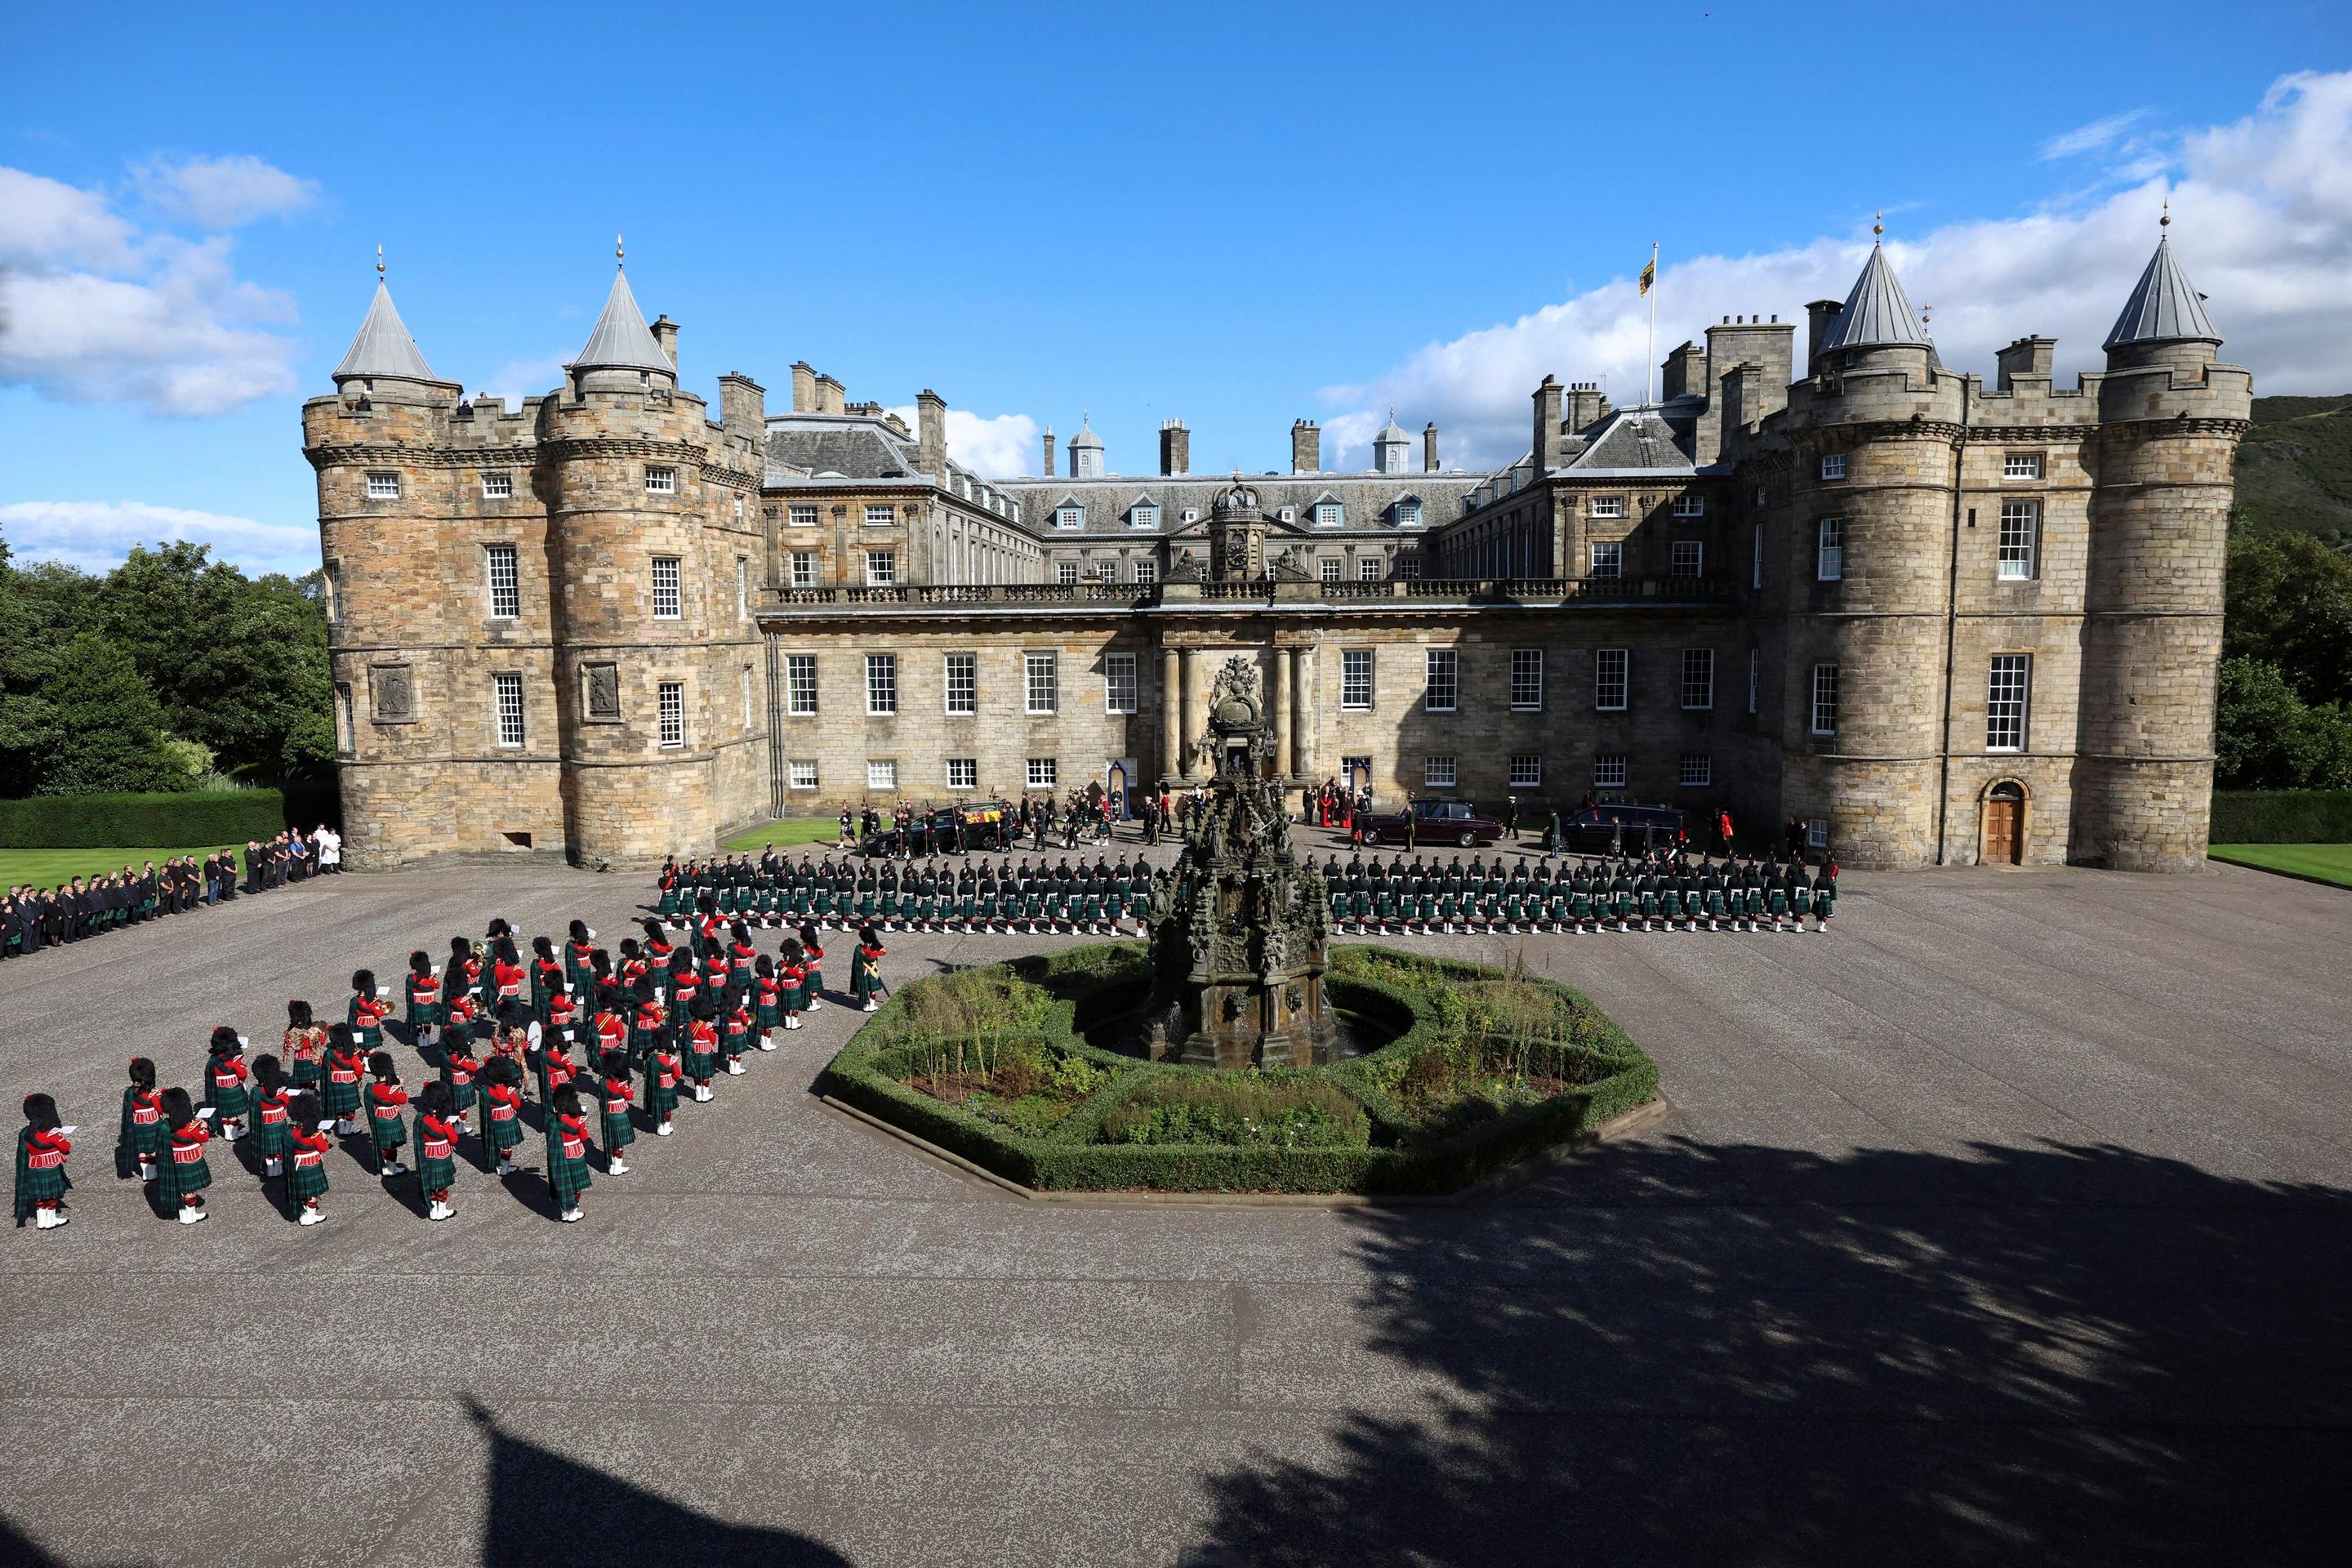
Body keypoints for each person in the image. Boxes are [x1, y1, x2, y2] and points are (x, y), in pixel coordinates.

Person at [156, 1086, 214, 1225]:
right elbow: (204, 1137)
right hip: (190, 1159)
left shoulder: (166, 1126)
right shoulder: (190, 1128)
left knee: (181, 1188)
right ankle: (190, 1215)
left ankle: (183, 1214)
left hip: (176, 1159)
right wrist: (204, 1126)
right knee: (190, 1190)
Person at [16, 1093, 73, 1231]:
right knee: (51, 1196)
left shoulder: (26, 1133)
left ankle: (41, 1221)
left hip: (35, 1167)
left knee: (40, 1197)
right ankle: (51, 1220)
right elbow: (66, 1147)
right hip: (50, 1167)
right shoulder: (51, 1133)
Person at [415, 1082, 461, 1220]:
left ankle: (433, 1212)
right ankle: (441, 1212)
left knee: (431, 1185)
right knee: (441, 1186)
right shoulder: (444, 1123)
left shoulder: (422, 1120)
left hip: (428, 1155)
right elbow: (454, 1139)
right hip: (442, 1155)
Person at [546, 1085, 592, 1223]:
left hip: (560, 1154)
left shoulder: (551, 1119)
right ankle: (573, 1211)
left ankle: (564, 1212)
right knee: (575, 1186)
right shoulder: (577, 1119)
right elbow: (584, 1137)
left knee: (563, 1184)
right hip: (575, 1154)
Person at [284, 1094, 331, 1225]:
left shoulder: (292, 1131)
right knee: (312, 1194)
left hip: (298, 1164)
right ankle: (310, 1217)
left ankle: (304, 1214)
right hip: (312, 1165)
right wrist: (322, 1137)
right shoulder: (313, 1135)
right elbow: (323, 1148)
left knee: (304, 1191)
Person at [118, 1057, 163, 1183]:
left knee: (142, 1151)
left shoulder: (130, 1093)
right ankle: (151, 1173)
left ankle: (144, 1173)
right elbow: (160, 1110)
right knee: (152, 1151)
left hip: (137, 1124)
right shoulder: (152, 1094)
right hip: (152, 1123)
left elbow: (129, 1110)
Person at [365, 1051, 410, 1178]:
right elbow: (403, 1099)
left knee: (384, 1144)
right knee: (391, 1146)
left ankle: (385, 1167)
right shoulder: (391, 1090)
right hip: (391, 1118)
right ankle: (391, 1169)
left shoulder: (371, 1088)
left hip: (378, 1117)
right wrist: (400, 1086)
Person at [203, 1027, 252, 1142]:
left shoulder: (214, 1060)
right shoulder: (234, 1059)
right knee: (233, 1114)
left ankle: (227, 1133)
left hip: (220, 1090)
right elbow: (243, 1074)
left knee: (225, 1114)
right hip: (233, 1088)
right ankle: (233, 1135)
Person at [249, 1055, 292, 1178]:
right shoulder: (280, 1093)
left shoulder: (256, 1092)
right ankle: (277, 1169)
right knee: (278, 1149)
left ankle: (270, 1169)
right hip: (278, 1122)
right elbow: (288, 1104)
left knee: (269, 1150)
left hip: (264, 1124)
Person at [482, 1057, 526, 1176]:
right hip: (507, 1119)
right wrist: (512, 1093)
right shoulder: (506, 1091)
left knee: (499, 1144)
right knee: (507, 1147)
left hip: (494, 1119)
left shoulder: (486, 1090)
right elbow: (517, 1105)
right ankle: (504, 1168)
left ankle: (500, 1164)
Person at [596, 1052, 635, 1175]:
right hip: (619, 1113)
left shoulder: (603, 1081)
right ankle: (617, 1167)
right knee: (619, 1144)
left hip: (608, 1113)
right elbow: (630, 1096)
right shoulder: (621, 1083)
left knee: (612, 1142)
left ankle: (612, 1166)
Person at [852, 924, 887, 1012]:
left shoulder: (859, 948)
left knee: (864, 990)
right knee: (872, 991)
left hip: (862, 972)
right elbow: (883, 952)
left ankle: (866, 1006)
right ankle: (871, 1005)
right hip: (871, 973)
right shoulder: (873, 951)